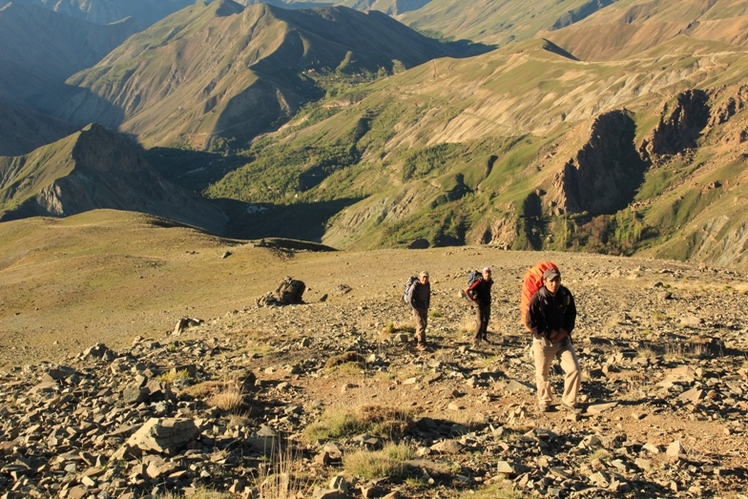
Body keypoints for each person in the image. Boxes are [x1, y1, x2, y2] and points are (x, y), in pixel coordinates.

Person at [527, 267, 581, 413]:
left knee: (574, 369)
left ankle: (569, 401)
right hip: (543, 342)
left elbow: (571, 314)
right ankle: (544, 400)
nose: (554, 284)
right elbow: (531, 322)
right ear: (545, 282)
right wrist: (548, 333)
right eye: (551, 280)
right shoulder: (537, 298)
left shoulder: (565, 294)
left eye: (557, 280)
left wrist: (565, 331)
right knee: (542, 373)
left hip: (563, 340)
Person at [465, 266, 493, 347]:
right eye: (486, 272)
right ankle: (475, 339)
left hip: (487, 303)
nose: (487, 274)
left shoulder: (490, 282)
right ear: (483, 274)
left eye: (489, 272)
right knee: (480, 322)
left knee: (486, 320)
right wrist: (472, 300)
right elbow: (466, 290)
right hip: (479, 304)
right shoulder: (478, 282)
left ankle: (483, 337)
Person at [407, 271, 431, 350]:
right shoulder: (415, 285)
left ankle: (417, 337)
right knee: (421, 325)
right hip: (417, 308)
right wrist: (414, 307)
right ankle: (421, 344)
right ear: (420, 278)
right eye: (423, 277)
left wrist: (427, 305)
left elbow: (428, 295)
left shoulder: (427, 284)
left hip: (424, 307)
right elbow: (409, 298)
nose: (425, 279)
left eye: (426, 277)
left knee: (424, 324)